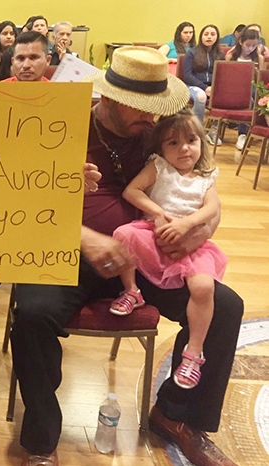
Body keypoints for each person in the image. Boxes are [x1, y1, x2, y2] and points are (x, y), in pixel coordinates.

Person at [12, 46, 242, 466]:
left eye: (156, 107)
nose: (152, 117)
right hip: (67, 251)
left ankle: (174, 415)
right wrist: (85, 237)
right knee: (31, 313)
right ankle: (42, 440)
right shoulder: (59, 125)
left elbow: (203, 187)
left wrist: (200, 230)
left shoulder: (154, 132)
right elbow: (19, 202)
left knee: (225, 307)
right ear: (111, 98)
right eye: (141, 107)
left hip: (145, 257)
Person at [112, 109, 226, 391]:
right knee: (123, 234)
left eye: (191, 140)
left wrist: (188, 223)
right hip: (155, 233)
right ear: (161, 148)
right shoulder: (159, 166)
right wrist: (158, 213)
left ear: (202, 143)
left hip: (191, 243)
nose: (184, 148)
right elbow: (132, 191)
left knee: (203, 288)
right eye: (173, 143)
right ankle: (132, 291)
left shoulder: (206, 176)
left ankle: (194, 351)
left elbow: (212, 207)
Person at [182, 24, 223, 143]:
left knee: (223, 97)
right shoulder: (192, 53)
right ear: (201, 37)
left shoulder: (220, 55)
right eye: (206, 34)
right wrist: (205, 88)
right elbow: (187, 76)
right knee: (201, 97)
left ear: (217, 37)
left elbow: (223, 75)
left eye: (213, 34)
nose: (209, 37)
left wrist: (213, 87)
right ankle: (196, 131)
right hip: (193, 86)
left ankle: (213, 131)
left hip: (213, 87)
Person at [225, 27, 263, 150]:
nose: (250, 48)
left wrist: (256, 73)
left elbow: (260, 81)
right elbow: (225, 78)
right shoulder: (231, 56)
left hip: (251, 88)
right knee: (249, 99)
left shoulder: (258, 58)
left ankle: (259, 129)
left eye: (254, 46)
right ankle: (242, 134)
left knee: (258, 96)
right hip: (233, 89)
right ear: (241, 42)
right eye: (248, 45)